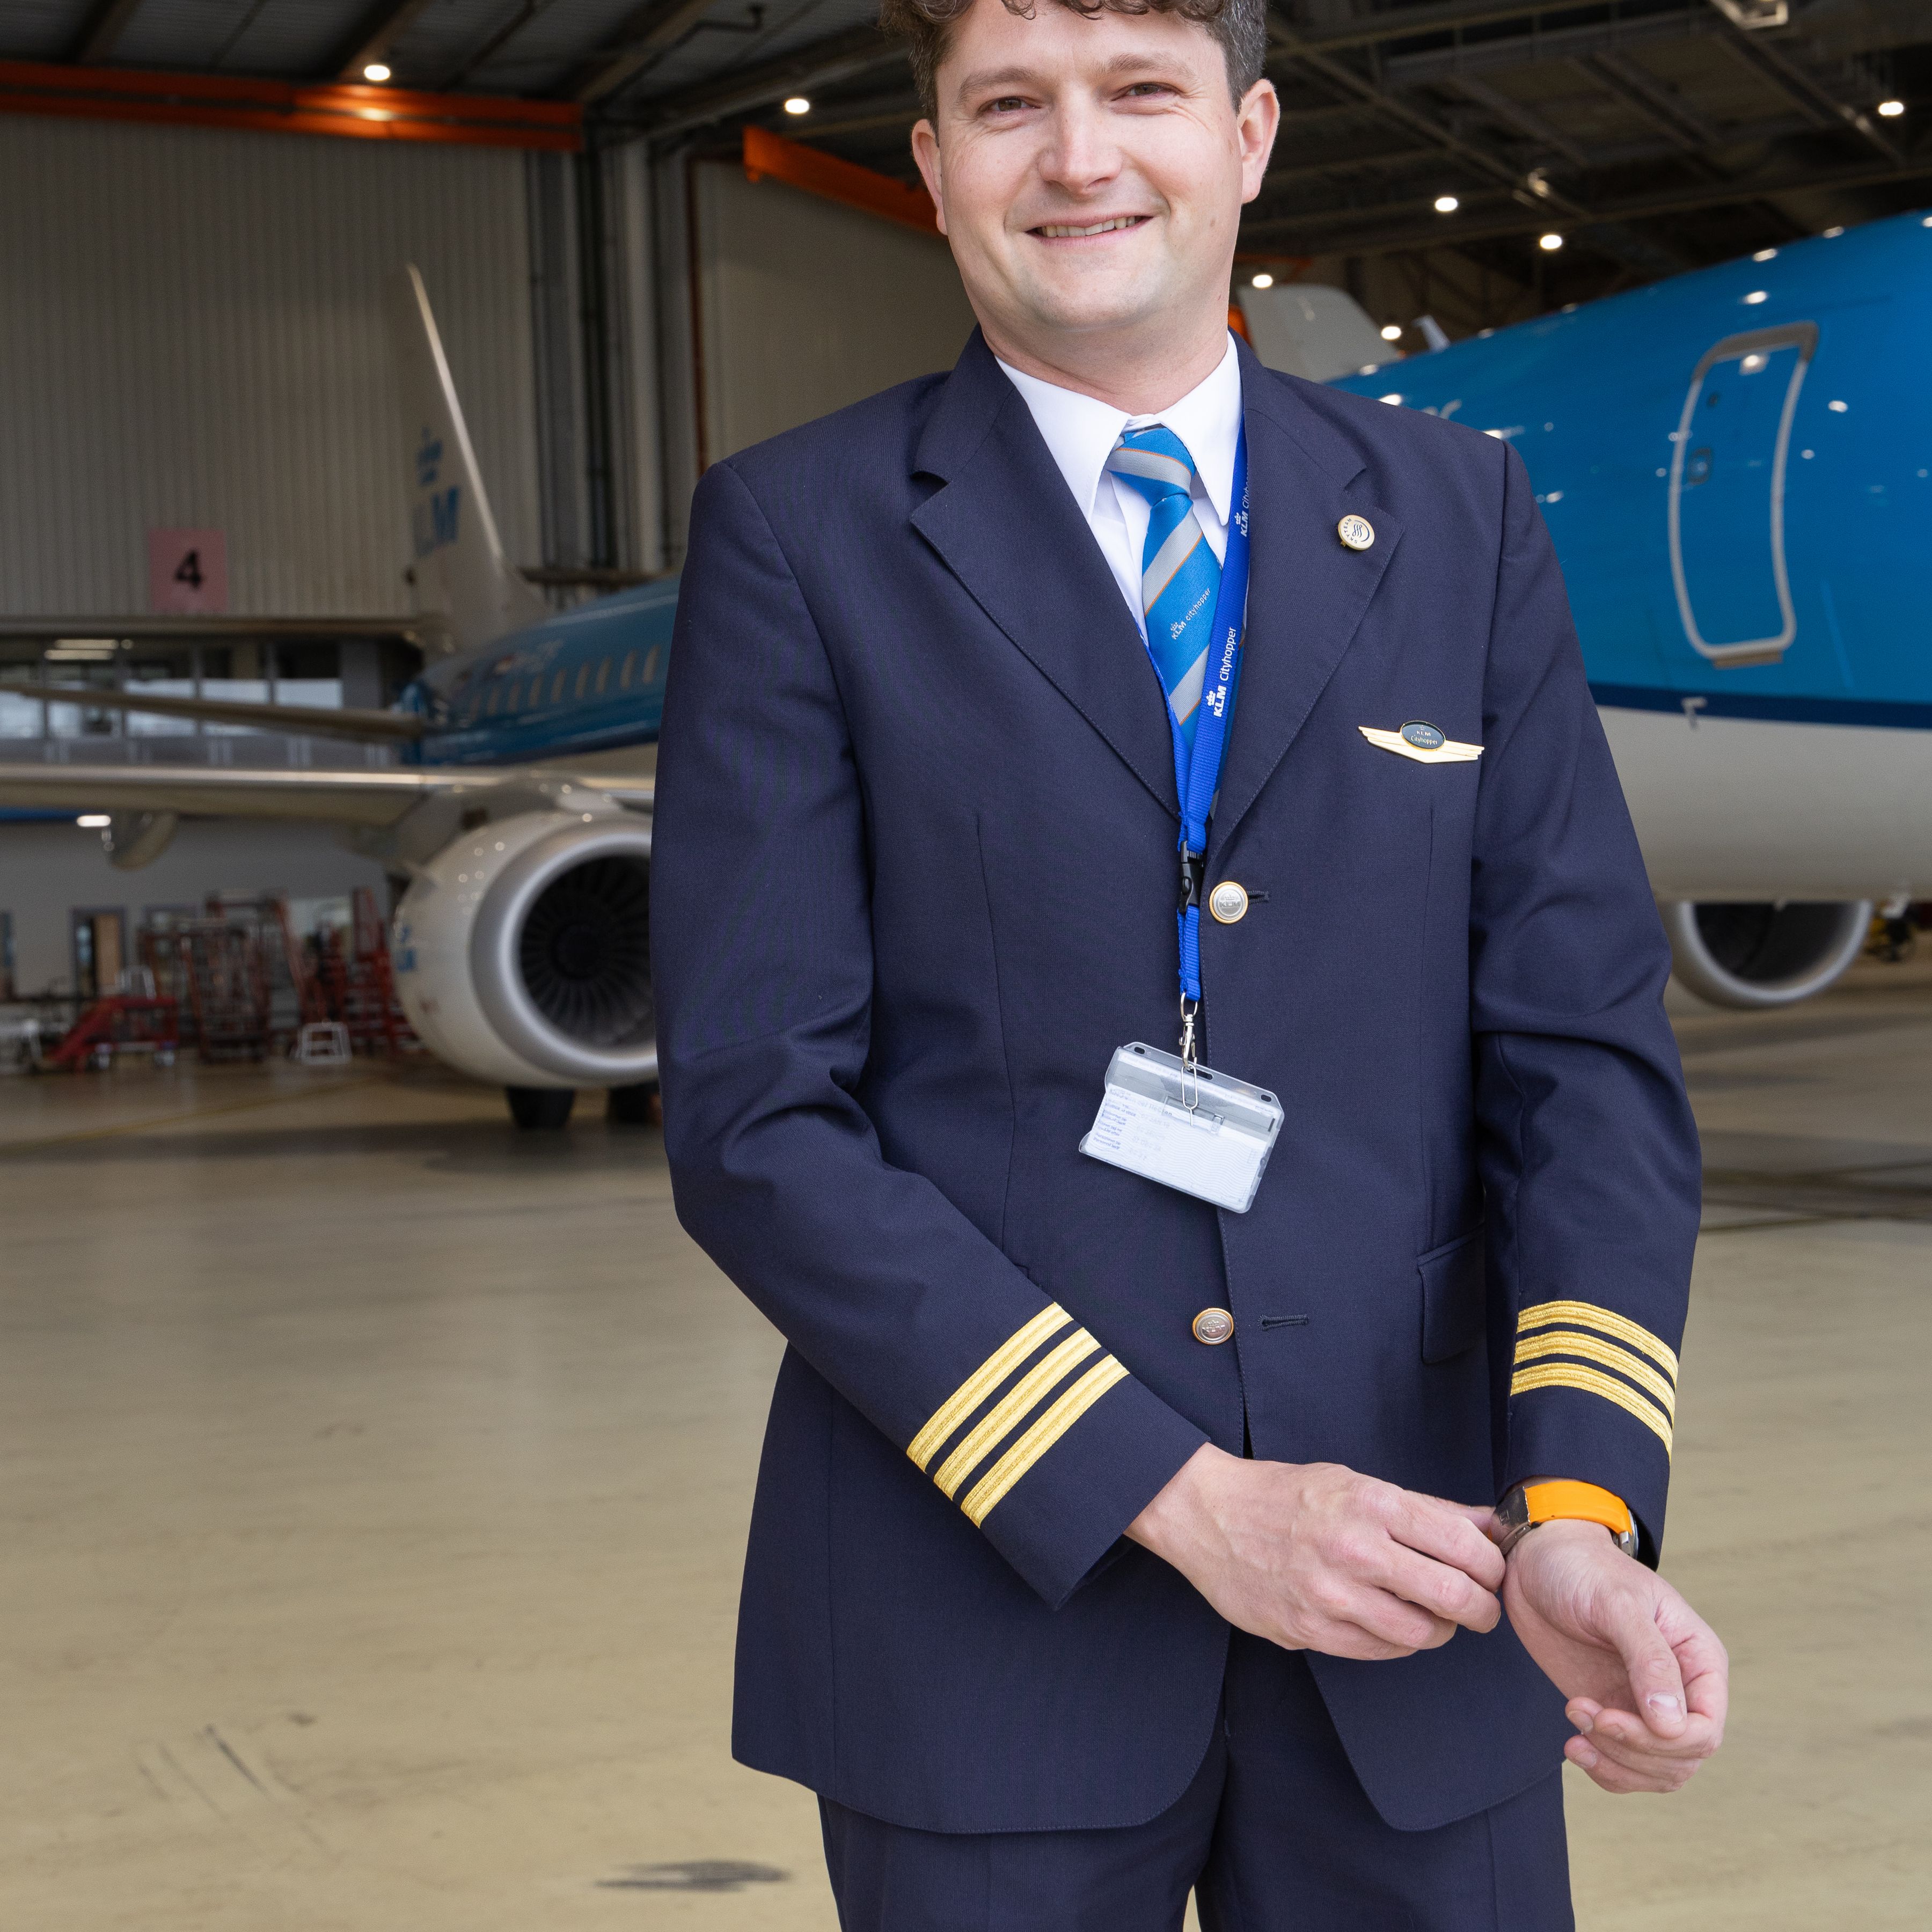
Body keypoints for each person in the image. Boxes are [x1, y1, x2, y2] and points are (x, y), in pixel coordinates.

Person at [649, 0, 1725, 1920]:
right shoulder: (804, 535)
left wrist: (1576, 1509)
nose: (1080, 159)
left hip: (1430, 1596)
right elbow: (758, 1119)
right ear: (933, 167)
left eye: (1141, 91)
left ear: (1249, 136)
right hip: (981, 1626)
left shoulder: (1458, 517)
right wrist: (1176, 1497)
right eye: (1010, 105)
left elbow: (1583, 1061)